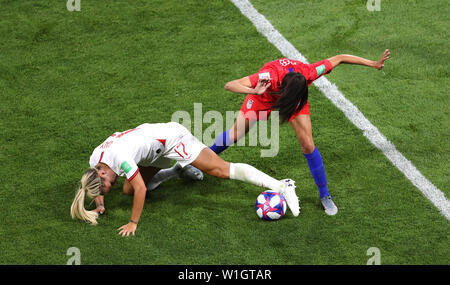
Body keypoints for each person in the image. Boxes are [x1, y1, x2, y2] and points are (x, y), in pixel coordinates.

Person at [149, 50, 391, 216]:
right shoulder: (268, 78)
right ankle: (184, 166)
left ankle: (324, 194)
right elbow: (230, 84)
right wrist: (254, 91)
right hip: (260, 97)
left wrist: (373, 64)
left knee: (307, 144)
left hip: (293, 101)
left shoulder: (306, 73)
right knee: (234, 135)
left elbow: (339, 58)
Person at [70, 122, 299, 237]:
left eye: (107, 185)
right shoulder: (95, 161)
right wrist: (99, 203)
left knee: (218, 170)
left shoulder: (120, 160)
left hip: (171, 139)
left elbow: (141, 189)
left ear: (101, 173)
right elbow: (100, 183)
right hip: (151, 149)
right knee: (127, 190)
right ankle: (178, 170)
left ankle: (281, 185)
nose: (110, 187)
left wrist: (133, 223)